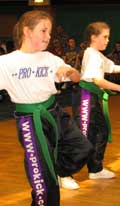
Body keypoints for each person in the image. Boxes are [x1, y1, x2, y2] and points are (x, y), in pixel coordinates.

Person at [0, 10, 93, 205]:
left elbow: (74, 77)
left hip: (55, 113)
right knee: (42, 179)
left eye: (49, 32)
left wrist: (70, 71)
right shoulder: (7, 62)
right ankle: (46, 177)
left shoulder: (50, 58)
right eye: (43, 31)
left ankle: (56, 171)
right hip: (30, 121)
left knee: (83, 148)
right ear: (27, 31)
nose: (48, 37)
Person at [72, 22, 120, 180]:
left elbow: (110, 67)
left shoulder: (97, 54)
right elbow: (98, 80)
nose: (108, 40)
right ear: (93, 37)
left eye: (108, 37)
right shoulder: (91, 54)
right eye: (104, 37)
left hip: (92, 97)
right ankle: (64, 172)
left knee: (101, 131)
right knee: (83, 135)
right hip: (86, 98)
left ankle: (95, 169)